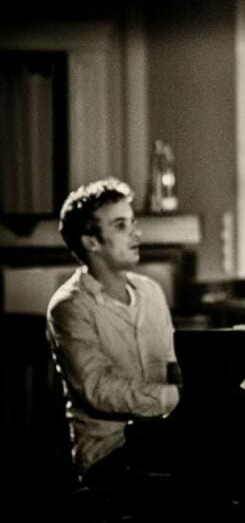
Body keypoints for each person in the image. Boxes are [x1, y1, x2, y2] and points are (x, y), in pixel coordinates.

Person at [46, 177, 180, 487]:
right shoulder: (69, 306)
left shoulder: (151, 291)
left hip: (162, 439)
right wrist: (176, 398)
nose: (136, 233)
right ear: (91, 242)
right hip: (108, 454)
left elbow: (173, 363)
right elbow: (97, 390)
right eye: (121, 225)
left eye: (133, 223)